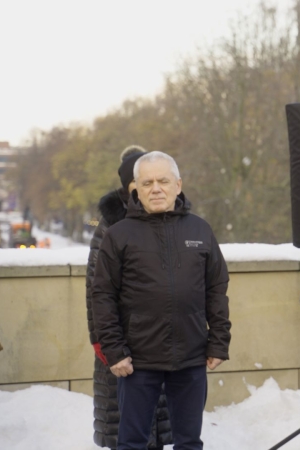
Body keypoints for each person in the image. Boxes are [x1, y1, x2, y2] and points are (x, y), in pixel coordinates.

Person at [92, 151, 231, 450]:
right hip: (137, 361)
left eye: (163, 181)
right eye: (147, 182)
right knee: (131, 443)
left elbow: (216, 288)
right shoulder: (117, 235)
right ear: (136, 190)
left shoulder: (200, 230)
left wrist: (219, 341)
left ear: (178, 185)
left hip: (191, 358)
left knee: (189, 442)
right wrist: (114, 351)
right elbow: (102, 296)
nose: (156, 188)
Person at [87, 146, 172, 449]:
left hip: (159, 343)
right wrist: (104, 344)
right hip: (119, 344)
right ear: (129, 186)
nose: (152, 188)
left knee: (157, 428)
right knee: (128, 429)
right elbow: (96, 292)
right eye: (144, 182)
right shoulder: (111, 229)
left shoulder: (168, 221)